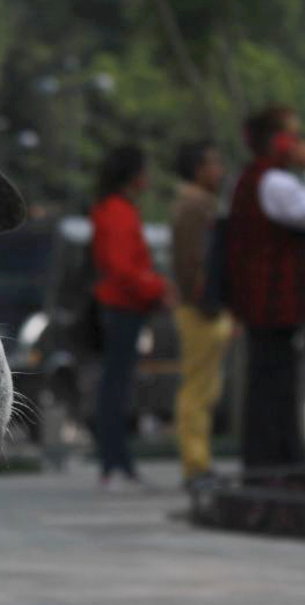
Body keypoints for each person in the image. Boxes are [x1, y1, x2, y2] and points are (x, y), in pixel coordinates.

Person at [227, 106, 305, 474]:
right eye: (295, 136)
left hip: (266, 304)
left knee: (271, 381)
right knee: (275, 383)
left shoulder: (256, 179)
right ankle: (277, 461)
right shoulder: (274, 182)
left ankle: (273, 458)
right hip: (275, 302)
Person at [91, 144, 173, 490]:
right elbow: (124, 268)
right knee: (116, 388)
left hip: (125, 307)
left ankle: (118, 462)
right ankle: (114, 464)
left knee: (117, 387)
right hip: (123, 308)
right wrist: (158, 288)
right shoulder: (118, 212)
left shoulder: (114, 210)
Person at [171, 140, 231, 488]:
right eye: (214, 163)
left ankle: (199, 461)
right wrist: (203, 297)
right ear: (198, 169)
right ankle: (195, 465)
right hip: (199, 309)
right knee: (197, 390)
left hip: (200, 306)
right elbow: (190, 260)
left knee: (204, 388)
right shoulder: (195, 205)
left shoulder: (197, 203)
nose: (219, 171)